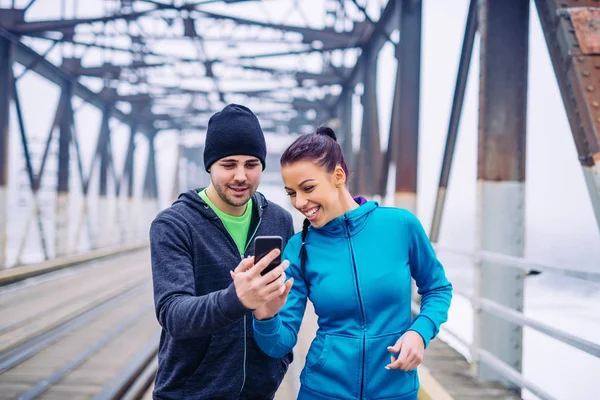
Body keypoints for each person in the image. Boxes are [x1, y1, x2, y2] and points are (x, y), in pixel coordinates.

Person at [250, 126, 453, 400]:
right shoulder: (299, 248)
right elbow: (279, 344)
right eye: (292, 193)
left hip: (395, 390)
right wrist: (265, 315)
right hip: (322, 391)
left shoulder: (401, 225)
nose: (300, 202)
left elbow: (438, 288)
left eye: (308, 188)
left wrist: (420, 331)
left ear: (338, 176)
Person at [149, 104, 295, 399]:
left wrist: (279, 363)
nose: (241, 176)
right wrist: (237, 298)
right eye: (228, 164)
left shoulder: (279, 219)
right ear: (210, 166)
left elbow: (288, 302)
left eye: (251, 164)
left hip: (260, 393)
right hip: (189, 394)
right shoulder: (174, 224)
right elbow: (173, 314)